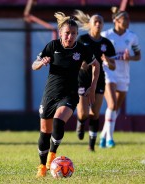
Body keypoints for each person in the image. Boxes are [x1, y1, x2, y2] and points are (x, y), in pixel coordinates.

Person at [32, 12, 100, 178]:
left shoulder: (82, 49)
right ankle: (42, 166)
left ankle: (52, 155)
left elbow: (96, 65)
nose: (70, 36)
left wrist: (92, 87)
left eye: (74, 34)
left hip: (69, 94)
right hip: (50, 94)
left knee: (58, 120)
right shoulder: (53, 46)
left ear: (77, 35)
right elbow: (34, 64)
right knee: (44, 132)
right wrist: (41, 63)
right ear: (61, 33)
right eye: (67, 33)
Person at [73, 10, 116, 152]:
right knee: (84, 113)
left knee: (95, 113)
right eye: (95, 22)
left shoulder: (106, 43)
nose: (98, 24)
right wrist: (81, 65)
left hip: (98, 79)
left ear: (103, 25)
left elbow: (113, 66)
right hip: (82, 79)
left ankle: (91, 145)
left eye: (100, 22)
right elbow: (74, 60)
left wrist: (107, 61)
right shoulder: (82, 40)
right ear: (90, 24)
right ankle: (80, 122)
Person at [99, 7, 141, 148]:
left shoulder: (132, 36)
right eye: (125, 19)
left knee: (116, 107)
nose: (128, 21)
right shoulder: (106, 35)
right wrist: (104, 58)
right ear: (116, 20)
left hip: (124, 74)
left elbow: (138, 56)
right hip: (109, 72)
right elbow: (98, 53)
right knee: (111, 104)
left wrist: (131, 58)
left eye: (129, 18)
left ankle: (103, 135)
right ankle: (110, 138)